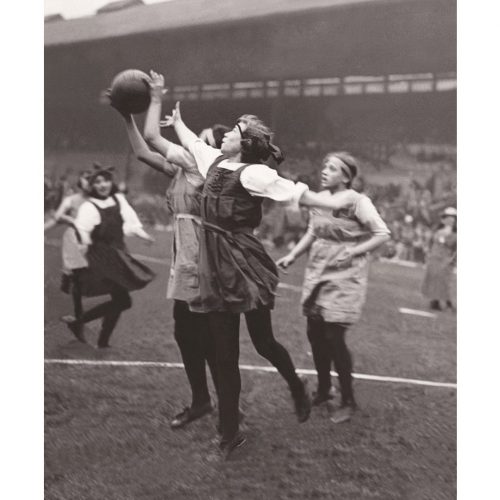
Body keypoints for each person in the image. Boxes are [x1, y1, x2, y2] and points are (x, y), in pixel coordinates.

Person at [166, 99, 358, 456]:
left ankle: (296, 386)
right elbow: (193, 142)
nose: (225, 136)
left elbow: (296, 192)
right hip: (214, 266)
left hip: (242, 264)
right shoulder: (216, 160)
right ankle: (229, 434)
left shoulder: (255, 174)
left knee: (263, 342)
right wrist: (177, 121)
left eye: (234, 133)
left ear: (246, 144)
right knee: (225, 356)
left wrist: (336, 206)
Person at [109, 75, 231, 429]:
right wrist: (125, 115)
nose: (194, 138)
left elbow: (152, 137)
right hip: (186, 254)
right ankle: (203, 401)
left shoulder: (204, 166)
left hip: (203, 255)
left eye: (202, 137)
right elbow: (142, 151)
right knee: (185, 330)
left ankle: (222, 404)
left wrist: (156, 97)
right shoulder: (182, 167)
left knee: (204, 333)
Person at [277, 152, 391, 424]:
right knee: (314, 333)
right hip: (318, 269)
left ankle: (348, 399)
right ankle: (325, 390)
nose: (326, 170)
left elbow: (382, 233)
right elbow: (313, 232)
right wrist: (293, 255)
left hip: (345, 273)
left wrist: (353, 252)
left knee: (334, 336)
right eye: (325, 165)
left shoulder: (358, 201)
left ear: (347, 176)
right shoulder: (319, 198)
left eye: (334, 168)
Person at [63, 164, 155, 348]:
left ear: (110, 182)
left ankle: (101, 339)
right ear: (92, 186)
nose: (102, 184)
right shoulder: (89, 207)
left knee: (119, 300)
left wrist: (144, 236)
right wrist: (80, 258)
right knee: (123, 301)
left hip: (118, 255)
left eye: (105, 180)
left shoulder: (119, 200)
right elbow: (82, 233)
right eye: (97, 182)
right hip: (100, 259)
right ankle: (79, 323)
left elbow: (131, 223)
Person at [45, 171, 92, 342]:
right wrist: (71, 220)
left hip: (91, 243)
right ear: (80, 181)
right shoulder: (71, 199)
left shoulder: (96, 200)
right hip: (74, 241)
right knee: (75, 281)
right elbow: (57, 217)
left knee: (78, 281)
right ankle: (76, 318)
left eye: (90, 178)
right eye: (85, 178)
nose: (88, 181)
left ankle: (76, 317)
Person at [421, 207, 457, 311]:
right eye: (449, 218)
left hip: (446, 260)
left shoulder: (455, 234)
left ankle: (448, 302)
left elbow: (452, 246)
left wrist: (453, 260)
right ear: (444, 219)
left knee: (445, 282)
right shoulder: (437, 231)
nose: (451, 220)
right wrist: (427, 252)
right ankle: (435, 302)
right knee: (433, 280)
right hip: (434, 258)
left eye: (453, 218)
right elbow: (430, 243)